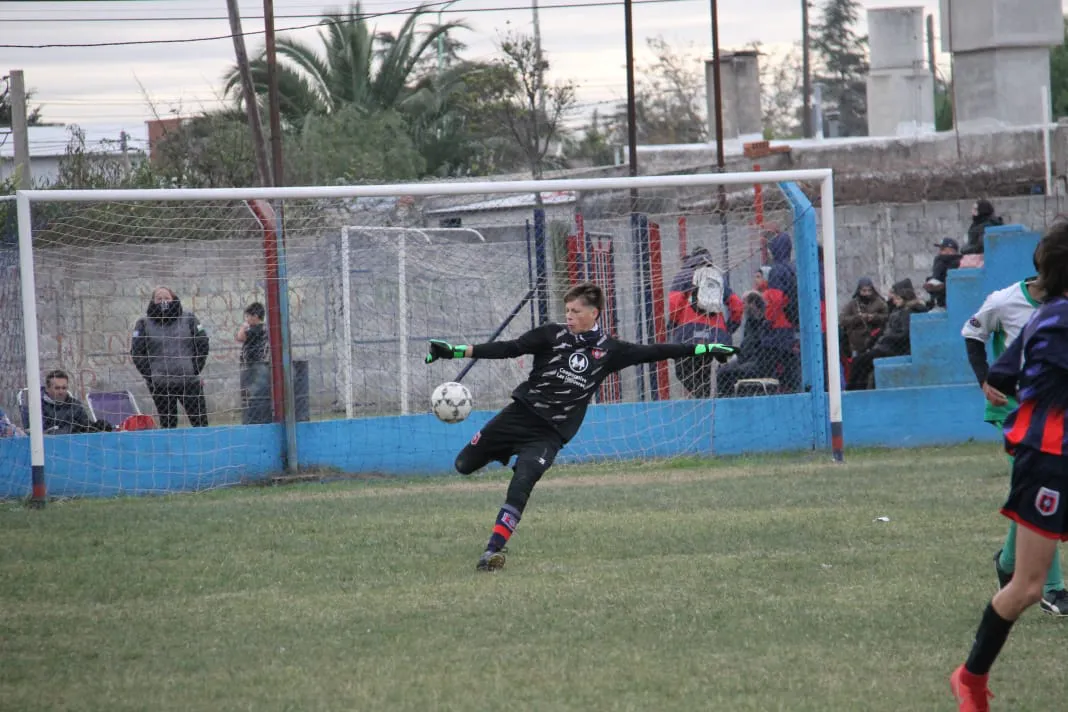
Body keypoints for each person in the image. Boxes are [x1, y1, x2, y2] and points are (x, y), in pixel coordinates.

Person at [424, 282, 737, 572]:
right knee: (463, 465)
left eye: (575, 311)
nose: (569, 316)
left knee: (523, 483)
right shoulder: (551, 334)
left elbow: (655, 352)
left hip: (549, 435)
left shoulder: (609, 350)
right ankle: (503, 453)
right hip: (517, 417)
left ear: (593, 313)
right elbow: (509, 348)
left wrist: (705, 349)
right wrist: (454, 350)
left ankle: (492, 550)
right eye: (567, 311)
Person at [950, 221, 1068, 711]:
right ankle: (970, 680)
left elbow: (1002, 373)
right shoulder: (1056, 321)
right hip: (1049, 460)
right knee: (1026, 587)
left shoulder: (1045, 316)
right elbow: (996, 369)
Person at [962, 265, 1068, 616]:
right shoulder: (1004, 301)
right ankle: (1052, 589)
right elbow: (972, 332)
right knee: (1041, 489)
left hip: (1053, 414)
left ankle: (1008, 563)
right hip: (1013, 412)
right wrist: (984, 380)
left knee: (1035, 493)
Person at [667, 247, 743, 397]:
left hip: (688, 333)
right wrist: (729, 328)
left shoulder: (684, 275)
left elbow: (675, 304)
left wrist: (673, 325)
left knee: (682, 371)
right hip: (715, 334)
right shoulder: (717, 277)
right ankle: (704, 398)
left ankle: (700, 396)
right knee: (704, 372)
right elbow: (737, 305)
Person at [131, 286, 210, 429]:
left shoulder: (189, 318)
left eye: (166, 298)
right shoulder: (143, 323)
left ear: (173, 299)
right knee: (168, 425)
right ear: (153, 301)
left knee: (200, 423)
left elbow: (202, 342)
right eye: (159, 299)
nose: (163, 301)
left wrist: (194, 369)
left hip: (189, 381)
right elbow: (137, 352)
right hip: (161, 385)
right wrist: (151, 376)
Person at [846, 278, 928, 391]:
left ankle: (854, 391)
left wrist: (886, 338)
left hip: (891, 348)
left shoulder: (908, 312)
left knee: (860, 363)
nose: (894, 301)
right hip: (885, 346)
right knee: (860, 363)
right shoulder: (899, 310)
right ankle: (855, 390)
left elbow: (903, 334)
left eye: (897, 298)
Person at [715, 291, 775, 397]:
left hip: (759, 364)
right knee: (723, 369)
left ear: (753, 303)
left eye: (744, 303)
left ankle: (727, 399)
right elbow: (745, 348)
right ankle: (729, 398)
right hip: (746, 361)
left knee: (725, 373)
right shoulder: (749, 323)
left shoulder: (765, 322)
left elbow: (762, 351)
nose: (742, 307)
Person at [762, 232, 800, 391]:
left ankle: (777, 391)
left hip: (779, 324)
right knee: (791, 364)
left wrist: (768, 320)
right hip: (793, 322)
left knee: (774, 363)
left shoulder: (776, 270)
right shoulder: (793, 268)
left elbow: (775, 299)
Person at [40, 369, 112, 434]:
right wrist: (69, 429)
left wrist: (98, 426)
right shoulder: (39, 407)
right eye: (57, 388)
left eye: (64, 388)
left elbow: (86, 426)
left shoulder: (74, 405)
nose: (61, 392)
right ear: (47, 389)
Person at [236, 301, 271, 425]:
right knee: (255, 396)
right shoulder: (263, 328)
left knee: (253, 395)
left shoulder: (257, 329)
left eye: (248, 316)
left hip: (253, 367)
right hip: (257, 366)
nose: (247, 319)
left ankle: (253, 420)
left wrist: (243, 326)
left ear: (255, 316)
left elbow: (240, 337)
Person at [839, 277, 889, 358]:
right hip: (856, 343)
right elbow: (842, 319)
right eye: (864, 291)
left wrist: (874, 317)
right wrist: (858, 318)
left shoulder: (879, 302)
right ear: (859, 291)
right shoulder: (853, 304)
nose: (867, 293)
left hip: (874, 341)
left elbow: (887, 316)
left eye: (869, 290)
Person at [924, 237, 963, 310]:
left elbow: (955, 287)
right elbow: (936, 279)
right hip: (940, 303)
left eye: (943, 249)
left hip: (953, 305)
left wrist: (941, 287)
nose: (940, 252)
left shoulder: (957, 264)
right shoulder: (940, 263)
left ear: (951, 251)